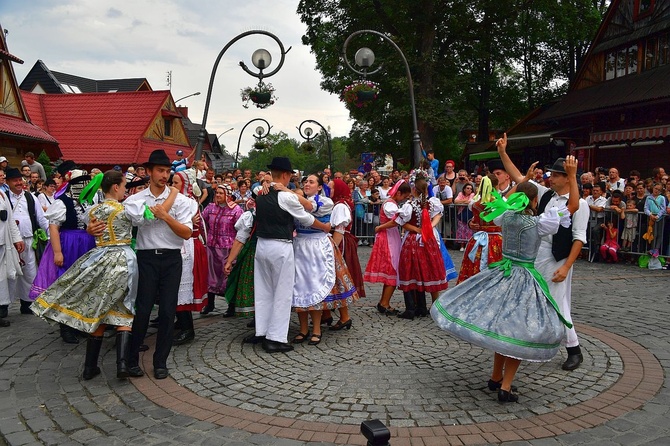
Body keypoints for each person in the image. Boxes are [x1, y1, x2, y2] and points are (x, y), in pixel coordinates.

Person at [432, 181, 576, 403]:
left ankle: (496, 377)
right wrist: (573, 177)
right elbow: (573, 206)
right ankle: (505, 387)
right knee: (517, 333)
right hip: (525, 279)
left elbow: (501, 205)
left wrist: (520, 183)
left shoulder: (506, 216)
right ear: (535, 201)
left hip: (502, 274)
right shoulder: (538, 223)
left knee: (502, 328)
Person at [33, 171, 175, 379]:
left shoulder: (93, 210)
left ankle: (90, 367)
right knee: (124, 308)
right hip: (122, 259)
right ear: (116, 187)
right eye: (124, 185)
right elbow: (154, 214)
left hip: (98, 259)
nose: (126, 189)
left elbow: (88, 226)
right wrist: (173, 193)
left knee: (100, 308)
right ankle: (122, 365)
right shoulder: (127, 209)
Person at [497, 135, 588, 371]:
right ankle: (528, 343)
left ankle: (574, 349)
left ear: (567, 178)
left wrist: (566, 266)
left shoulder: (581, 203)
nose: (550, 177)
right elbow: (519, 178)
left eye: (556, 174)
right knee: (531, 298)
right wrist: (503, 153)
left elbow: (579, 238)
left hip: (558, 257)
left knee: (557, 302)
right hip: (535, 254)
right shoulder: (545, 193)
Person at [245, 157, 331, 353]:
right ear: (285, 175)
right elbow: (307, 217)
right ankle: (275, 338)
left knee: (264, 291)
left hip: (262, 245)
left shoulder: (260, 191)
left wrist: (267, 183)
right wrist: (324, 226)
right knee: (282, 292)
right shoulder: (286, 197)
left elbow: (257, 191)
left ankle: (262, 331)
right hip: (280, 246)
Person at [122, 149, 195, 380]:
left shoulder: (182, 201)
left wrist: (166, 216)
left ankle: (160, 362)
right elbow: (131, 221)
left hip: (172, 258)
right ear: (149, 172)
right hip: (146, 258)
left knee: (167, 311)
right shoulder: (135, 200)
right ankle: (132, 360)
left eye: (167, 171)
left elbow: (186, 233)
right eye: (160, 171)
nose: (164, 175)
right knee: (142, 310)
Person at [30, 162, 97, 344]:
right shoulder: (62, 202)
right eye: (81, 182)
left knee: (83, 284)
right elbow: (53, 228)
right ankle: (65, 327)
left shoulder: (88, 201)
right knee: (67, 284)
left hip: (86, 245)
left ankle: (77, 323)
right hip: (69, 244)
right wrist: (58, 252)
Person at [288, 174, 358, 345]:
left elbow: (310, 207)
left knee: (315, 286)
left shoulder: (324, 202)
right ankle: (303, 329)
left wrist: (286, 191)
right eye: (305, 181)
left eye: (311, 182)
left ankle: (317, 328)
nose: (307, 184)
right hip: (300, 245)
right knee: (299, 288)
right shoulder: (298, 201)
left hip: (318, 245)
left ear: (319, 187)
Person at [396, 174, 448, 319]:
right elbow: (439, 215)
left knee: (409, 270)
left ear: (414, 189)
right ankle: (422, 306)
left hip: (413, 240)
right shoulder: (432, 203)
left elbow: (401, 222)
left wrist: (416, 229)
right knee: (424, 269)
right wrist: (429, 227)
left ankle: (411, 308)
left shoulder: (409, 206)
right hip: (427, 241)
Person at [3, 168, 49, 315]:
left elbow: (41, 218)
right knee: (10, 274)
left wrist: (51, 235)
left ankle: (27, 302)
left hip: (29, 241)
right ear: (8, 182)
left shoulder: (30, 198)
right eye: (15, 180)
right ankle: (4, 306)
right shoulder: (4, 197)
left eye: (20, 180)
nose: (18, 183)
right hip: (10, 242)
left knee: (30, 272)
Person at [365, 180, 412, 315]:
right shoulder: (390, 205)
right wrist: (380, 227)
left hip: (390, 236)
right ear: (398, 193)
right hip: (388, 238)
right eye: (403, 196)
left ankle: (384, 301)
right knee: (393, 268)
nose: (403, 199)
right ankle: (384, 302)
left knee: (393, 268)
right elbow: (396, 221)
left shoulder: (391, 203)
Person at [171, 170, 206, 345]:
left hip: (187, 248)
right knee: (175, 287)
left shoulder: (188, 202)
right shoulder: (178, 200)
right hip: (181, 246)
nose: (172, 186)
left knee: (181, 287)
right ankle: (180, 321)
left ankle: (187, 329)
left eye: (176, 183)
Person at [200, 183, 243, 315]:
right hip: (212, 247)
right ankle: (210, 304)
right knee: (211, 275)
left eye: (220, 193)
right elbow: (202, 221)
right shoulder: (211, 207)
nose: (217, 195)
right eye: (216, 193)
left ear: (228, 195)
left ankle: (231, 306)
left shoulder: (236, 210)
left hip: (228, 248)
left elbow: (241, 229)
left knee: (227, 276)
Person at [456, 175, 501, 284]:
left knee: (474, 267)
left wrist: (472, 222)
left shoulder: (475, 203)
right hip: (496, 240)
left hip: (478, 239)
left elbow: (476, 219)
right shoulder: (499, 204)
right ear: (495, 186)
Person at [0, 186, 25, 327]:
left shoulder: (2, 194)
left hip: (3, 241)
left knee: (2, 278)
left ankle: (1, 309)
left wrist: (17, 238)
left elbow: (9, 219)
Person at [454, 183, 475, 251]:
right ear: (464, 189)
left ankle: (468, 245)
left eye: (471, 189)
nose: (469, 190)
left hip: (469, 214)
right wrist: (464, 201)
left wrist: (462, 202)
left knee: (469, 230)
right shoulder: (460, 194)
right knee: (461, 230)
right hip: (461, 214)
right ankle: (461, 246)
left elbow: (470, 201)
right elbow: (455, 201)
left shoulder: (473, 194)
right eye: (468, 188)